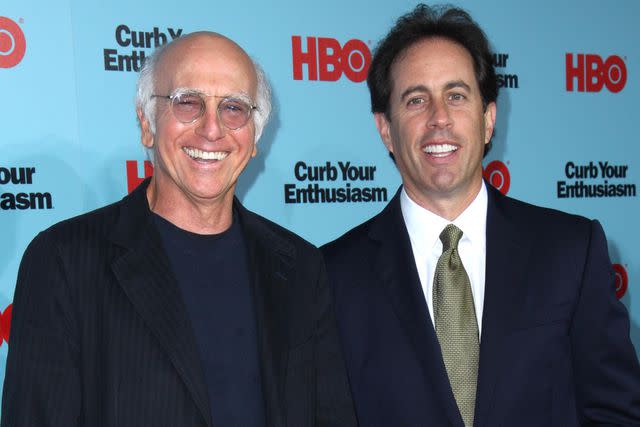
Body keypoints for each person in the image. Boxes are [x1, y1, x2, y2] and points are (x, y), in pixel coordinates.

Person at [2, 32, 356, 427]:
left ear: (254, 137)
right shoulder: (63, 261)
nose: (211, 129)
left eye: (234, 108)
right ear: (146, 124)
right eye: (188, 102)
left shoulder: (302, 267)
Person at [321, 4, 640, 427]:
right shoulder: (332, 275)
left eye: (456, 96)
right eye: (416, 100)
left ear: (488, 120)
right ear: (386, 129)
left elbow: (615, 412)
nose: (439, 118)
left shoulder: (570, 251)